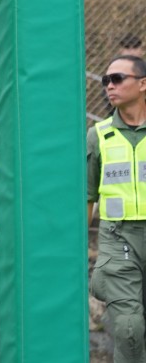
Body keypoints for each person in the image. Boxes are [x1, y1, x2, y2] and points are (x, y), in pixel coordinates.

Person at [87, 54, 146, 363]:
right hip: (118, 236)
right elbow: (88, 196)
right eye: (106, 81)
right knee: (128, 326)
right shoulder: (98, 136)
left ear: (142, 84)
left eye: (118, 79)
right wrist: (79, 248)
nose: (109, 86)